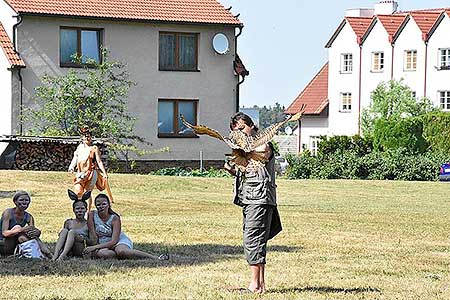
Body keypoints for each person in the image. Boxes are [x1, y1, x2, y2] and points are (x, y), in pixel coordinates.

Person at [224, 112, 282, 294]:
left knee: (253, 239)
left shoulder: (263, 144)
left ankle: (255, 285)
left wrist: (241, 151)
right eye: (236, 131)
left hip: (259, 199)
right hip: (251, 199)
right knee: (256, 240)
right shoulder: (245, 147)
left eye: (242, 129)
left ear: (251, 125)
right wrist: (233, 170)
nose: (240, 134)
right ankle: (260, 284)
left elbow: (263, 153)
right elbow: (250, 171)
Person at [83, 193, 169, 260]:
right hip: (103, 243)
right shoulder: (91, 215)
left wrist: (94, 247)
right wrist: (94, 247)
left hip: (117, 241)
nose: (101, 207)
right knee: (103, 254)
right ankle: (119, 256)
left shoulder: (115, 218)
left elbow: (114, 241)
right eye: (98, 205)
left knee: (121, 251)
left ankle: (155, 257)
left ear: (109, 205)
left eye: (104, 204)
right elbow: (93, 234)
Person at [68, 126, 113, 210]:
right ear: (82, 138)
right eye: (85, 136)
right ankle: (79, 208)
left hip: (91, 173)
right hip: (80, 173)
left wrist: (104, 173)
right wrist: (71, 167)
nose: (87, 138)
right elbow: (75, 158)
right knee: (78, 191)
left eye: (89, 137)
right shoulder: (79, 148)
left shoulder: (94, 148)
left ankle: (87, 213)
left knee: (87, 193)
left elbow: (99, 161)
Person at [0, 190, 52, 258]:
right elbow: (5, 233)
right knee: (17, 227)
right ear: (15, 202)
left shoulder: (29, 217)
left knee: (23, 236)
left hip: (17, 242)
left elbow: (32, 235)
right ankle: (44, 254)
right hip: (4, 243)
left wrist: (37, 232)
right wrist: (21, 230)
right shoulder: (8, 213)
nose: (24, 202)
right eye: (21, 200)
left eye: (26, 200)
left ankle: (45, 254)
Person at [52, 190, 93, 261]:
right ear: (73, 210)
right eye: (77, 209)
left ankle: (62, 257)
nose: (80, 211)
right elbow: (63, 238)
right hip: (69, 249)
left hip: (80, 248)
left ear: (86, 210)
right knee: (65, 230)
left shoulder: (88, 224)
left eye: (82, 208)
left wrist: (83, 239)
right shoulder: (68, 222)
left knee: (72, 232)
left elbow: (92, 241)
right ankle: (55, 255)